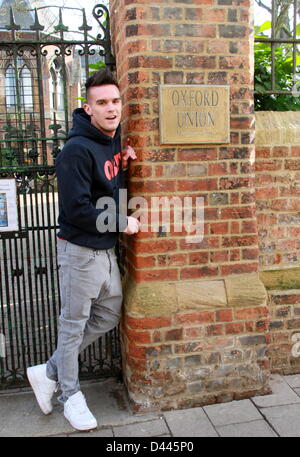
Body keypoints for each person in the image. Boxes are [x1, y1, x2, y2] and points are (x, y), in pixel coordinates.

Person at [26, 68, 140, 431]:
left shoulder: (110, 139)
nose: (111, 108)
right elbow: (77, 209)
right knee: (72, 326)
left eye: (115, 101)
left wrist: (123, 161)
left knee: (109, 315)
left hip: (104, 252)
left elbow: (107, 185)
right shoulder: (75, 150)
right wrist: (122, 223)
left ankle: (49, 371)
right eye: (102, 103)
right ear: (88, 108)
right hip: (79, 251)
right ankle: (69, 395)